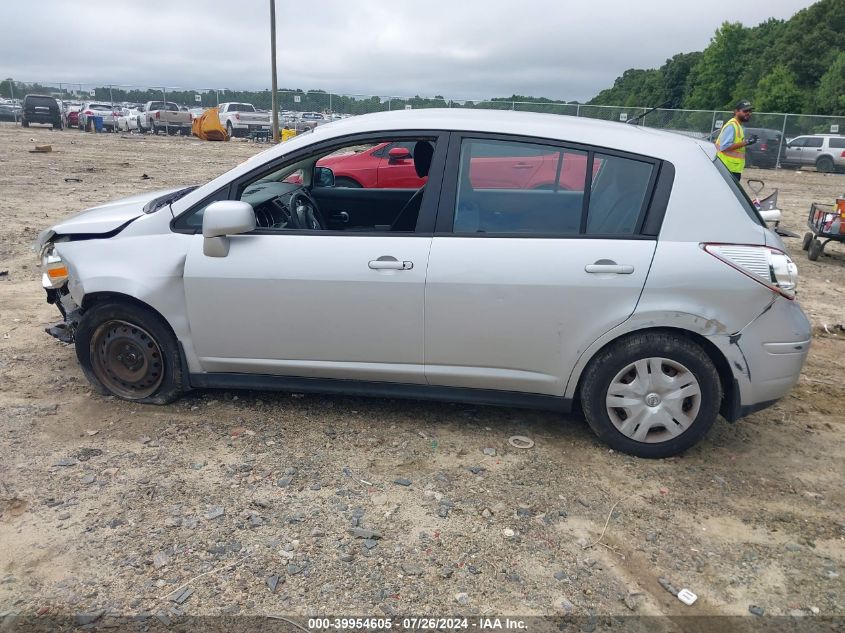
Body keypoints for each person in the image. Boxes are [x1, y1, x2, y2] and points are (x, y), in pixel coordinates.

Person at [715, 99, 758, 181]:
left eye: (750, 111)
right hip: (727, 169)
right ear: (736, 111)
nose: (748, 113)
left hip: (732, 169)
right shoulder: (732, 126)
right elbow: (724, 147)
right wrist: (747, 142)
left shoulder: (738, 126)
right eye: (745, 111)